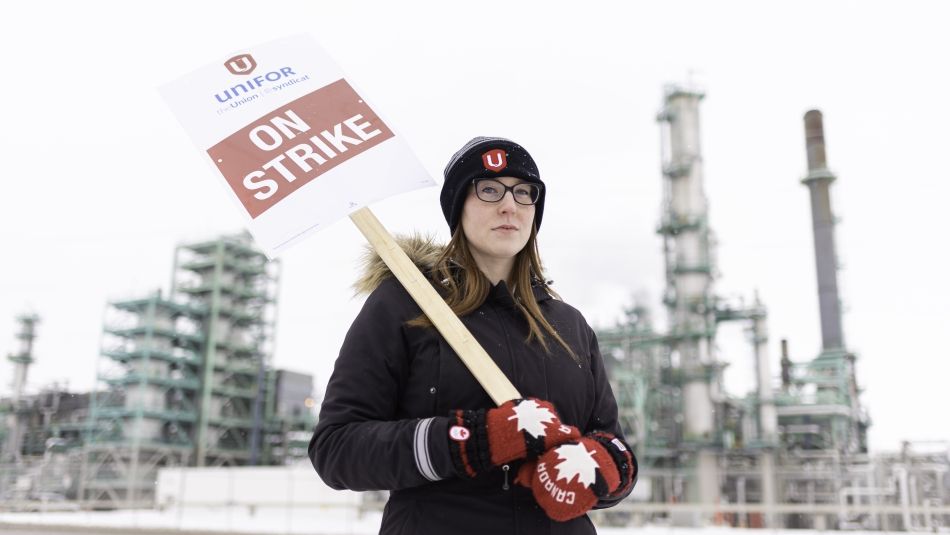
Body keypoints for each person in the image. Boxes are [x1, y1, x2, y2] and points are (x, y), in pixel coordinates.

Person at [309, 137, 637, 534]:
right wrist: (473, 440)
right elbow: (337, 449)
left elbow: (615, 446)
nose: (509, 205)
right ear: (457, 206)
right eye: (488, 189)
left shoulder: (569, 325)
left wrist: (597, 467)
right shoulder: (405, 304)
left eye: (524, 192)